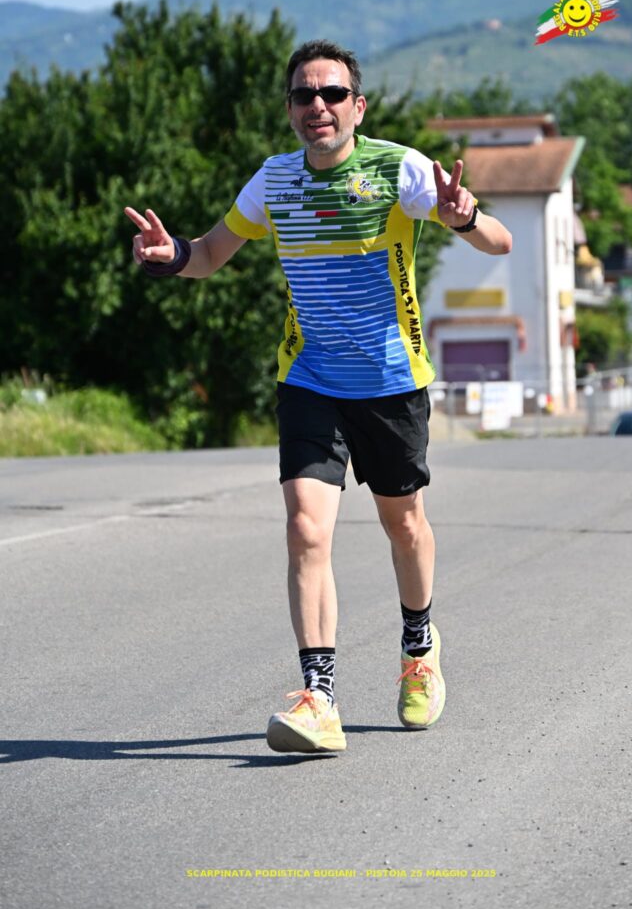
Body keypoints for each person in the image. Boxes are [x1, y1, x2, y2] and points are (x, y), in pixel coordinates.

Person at [125, 39, 512, 754]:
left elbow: (499, 241)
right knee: (306, 528)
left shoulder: (399, 169)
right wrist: (169, 255)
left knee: (404, 526)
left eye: (332, 94)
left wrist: (462, 218)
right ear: (290, 109)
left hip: (391, 383)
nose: (318, 106)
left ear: (357, 106)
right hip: (309, 379)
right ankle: (319, 698)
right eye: (304, 95)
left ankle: (419, 647)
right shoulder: (274, 181)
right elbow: (208, 254)